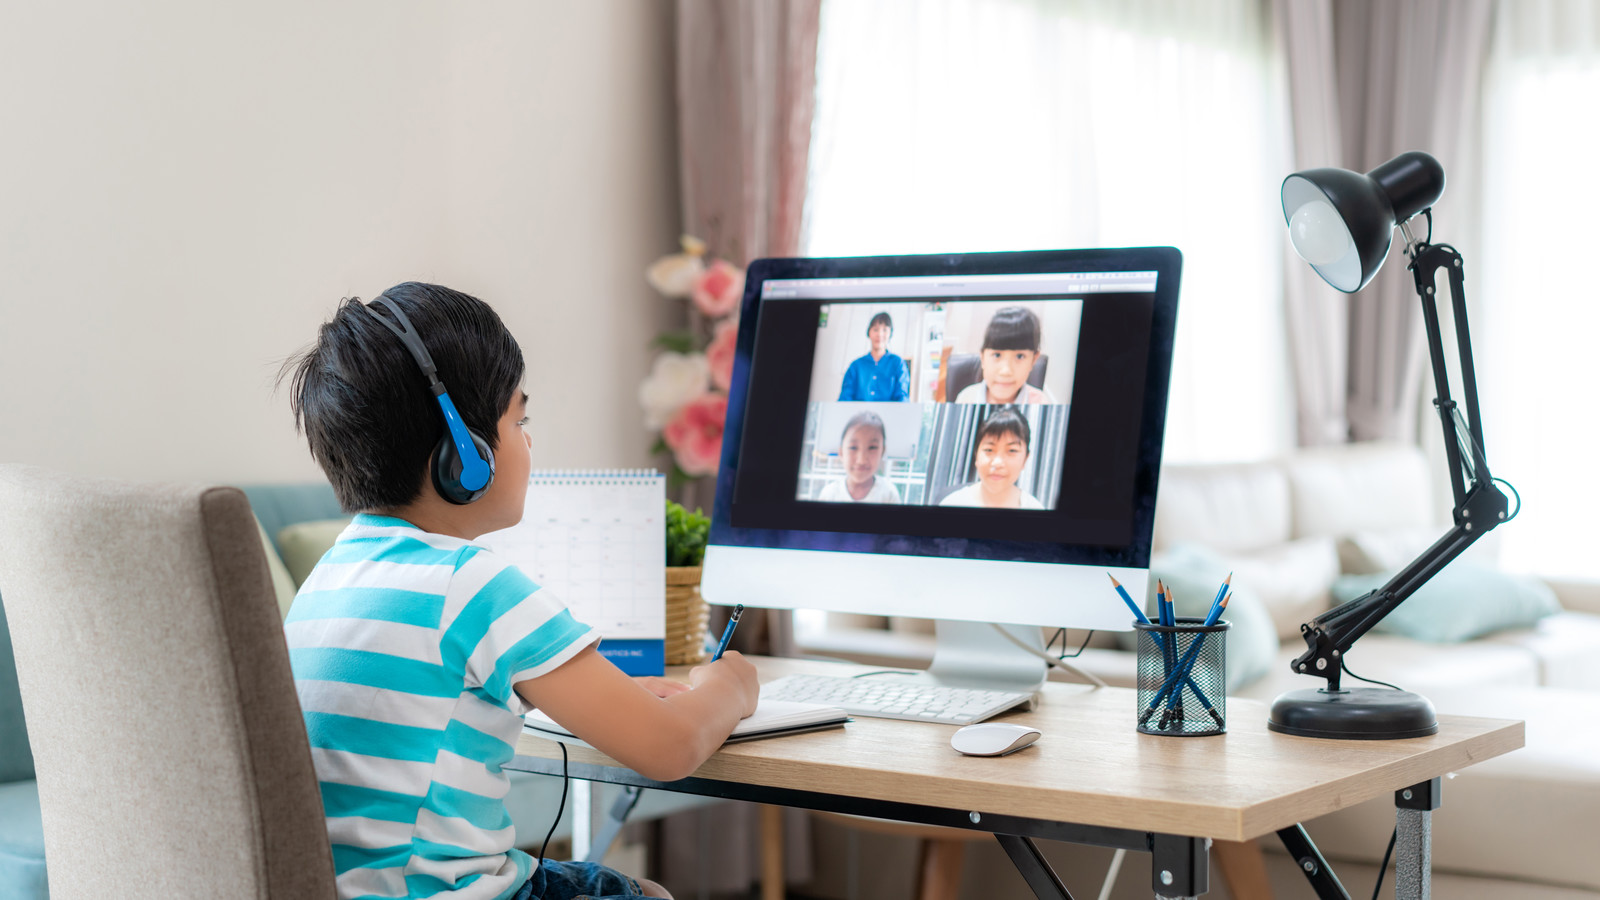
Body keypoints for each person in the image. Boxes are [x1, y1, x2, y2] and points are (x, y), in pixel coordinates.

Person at [281, 282, 758, 900]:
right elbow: (670, 749)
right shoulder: (473, 583)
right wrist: (728, 687)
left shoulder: (327, 578)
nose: (528, 440)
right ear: (465, 455)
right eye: (518, 419)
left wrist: (605, 693)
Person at [938, 408, 1046, 509]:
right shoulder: (951, 503)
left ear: (1025, 459)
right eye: (989, 450)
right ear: (976, 455)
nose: (997, 463)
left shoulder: (1035, 508)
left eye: (1012, 450)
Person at [954, 306, 1055, 404]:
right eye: (997, 355)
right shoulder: (966, 398)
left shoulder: (1041, 403)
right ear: (983, 358)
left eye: (1019, 356)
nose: (1006, 371)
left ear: (1033, 360)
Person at [816, 411, 901, 503]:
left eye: (872, 447)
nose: (861, 460)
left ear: (882, 452)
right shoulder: (829, 494)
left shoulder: (889, 494)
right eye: (853, 447)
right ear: (841, 452)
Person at [837, 311, 910, 401]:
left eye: (885, 330)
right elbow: (845, 398)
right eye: (875, 329)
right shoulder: (856, 366)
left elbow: (902, 397)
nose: (879, 334)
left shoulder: (898, 363)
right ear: (869, 333)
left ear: (890, 333)